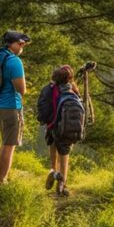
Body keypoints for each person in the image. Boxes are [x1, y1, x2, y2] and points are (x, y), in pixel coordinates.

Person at [0, 30, 30, 185]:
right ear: (11, 44)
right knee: (9, 145)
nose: (23, 46)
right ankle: (2, 181)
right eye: (20, 43)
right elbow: (21, 89)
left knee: (5, 142)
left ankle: (0, 176)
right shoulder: (14, 61)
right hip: (11, 106)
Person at [41, 65, 81, 197]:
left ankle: (53, 171)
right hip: (66, 128)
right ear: (69, 79)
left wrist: (45, 120)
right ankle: (61, 186)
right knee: (64, 156)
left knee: (53, 148)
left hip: (52, 126)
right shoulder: (72, 90)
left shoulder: (49, 89)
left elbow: (43, 110)